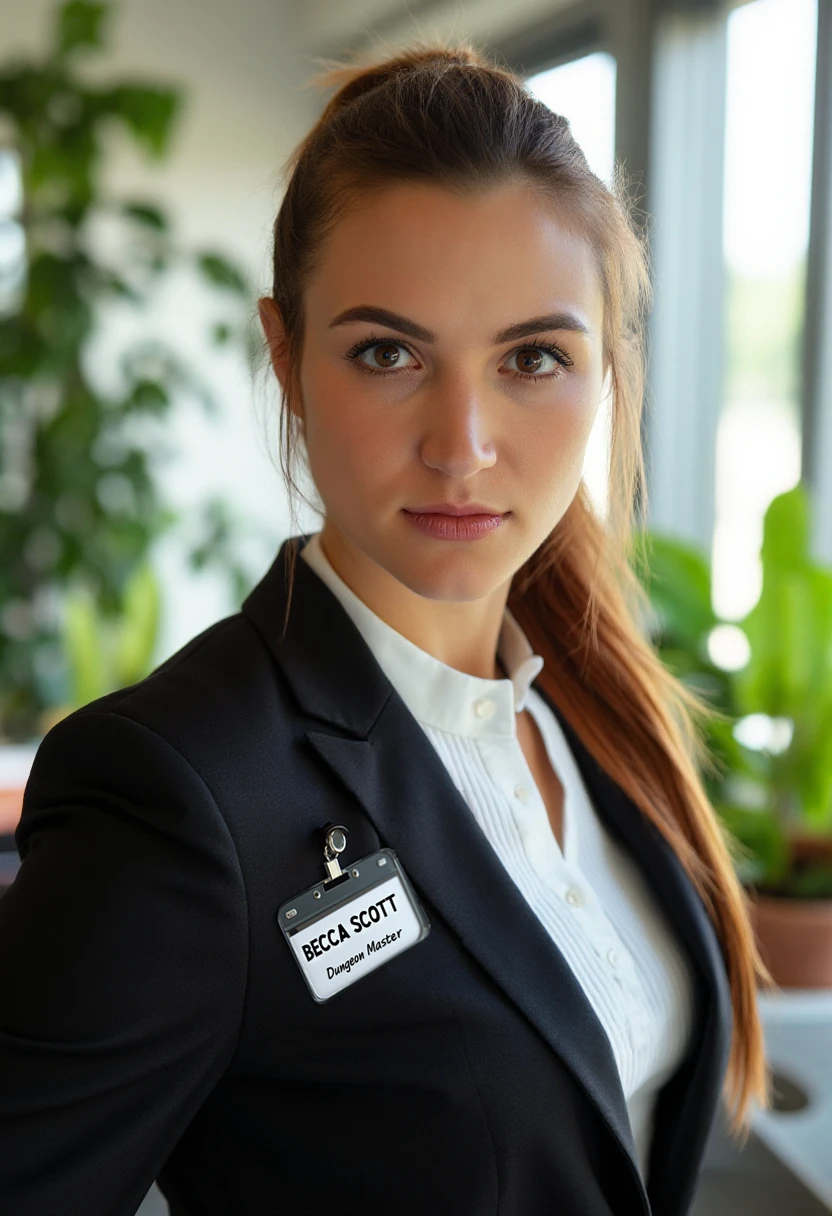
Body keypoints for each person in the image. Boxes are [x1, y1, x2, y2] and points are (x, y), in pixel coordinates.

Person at [0, 37, 775, 1216]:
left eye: (531, 357)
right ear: (289, 360)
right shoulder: (179, 794)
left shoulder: (593, 707)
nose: (462, 443)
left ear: (604, 371)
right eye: (387, 352)